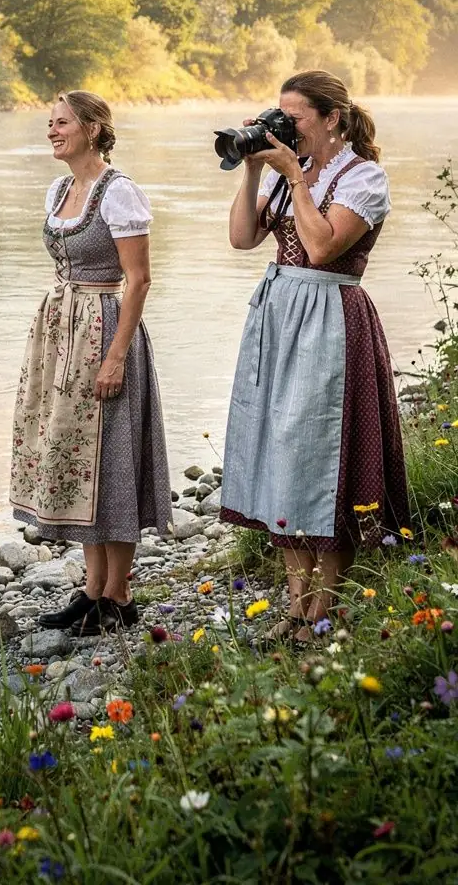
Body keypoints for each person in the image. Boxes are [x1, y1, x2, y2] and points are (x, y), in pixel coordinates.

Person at [219, 70, 409, 643]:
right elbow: (241, 238)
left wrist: (295, 178)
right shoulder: (287, 172)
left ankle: (326, 611)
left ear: (331, 118)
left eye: (294, 117)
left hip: (332, 320)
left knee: (321, 458)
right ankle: (297, 606)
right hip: (279, 317)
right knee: (280, 452)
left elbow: (325, 246)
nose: (284, 126)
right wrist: (252, 163)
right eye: (278, 116)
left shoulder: (364, 178)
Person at [10, 91, 171, 636]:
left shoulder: (119, 192)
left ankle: (120, 596)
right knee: (82, 459)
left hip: (104, 328)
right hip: (63, 330)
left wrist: (116, 355)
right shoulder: (60, 188)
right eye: (50, 123)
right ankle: (93, 589)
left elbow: (140, 279)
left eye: (62, 123)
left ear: (94, 128)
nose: (52, 131)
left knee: (113, 460)